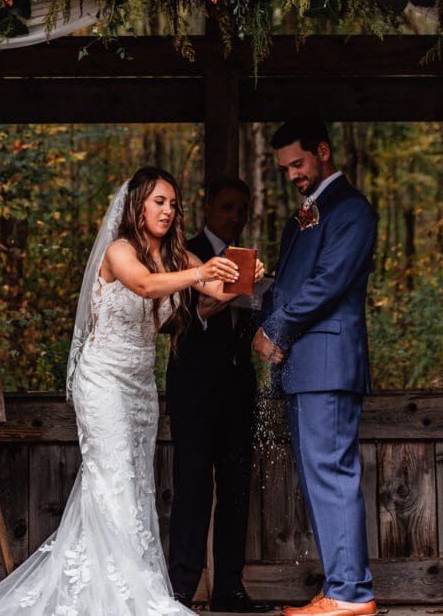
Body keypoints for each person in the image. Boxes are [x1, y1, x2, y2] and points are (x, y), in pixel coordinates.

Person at [0, 167, 264, 615]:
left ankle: (112, 583)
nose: (167, 210)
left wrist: (246, 275)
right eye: (159, 201)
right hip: (102, 379)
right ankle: (123, 596)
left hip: (140, 385)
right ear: (137, 204)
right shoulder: (120, 251)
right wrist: (197, 273)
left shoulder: (177, 256)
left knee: (136, 484)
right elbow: (144, 285)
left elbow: (215, 291)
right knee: (114, 477)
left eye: (173, 204)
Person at [253, 118, 377, 616]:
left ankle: (351, 594)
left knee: (331, 474)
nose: (292, 175)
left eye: (298, 164)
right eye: (285, 168)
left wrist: (275, 330)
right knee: (318, 476)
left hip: (328, 361)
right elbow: (294, 285)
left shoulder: (351, 209)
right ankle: (340, 586)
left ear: (323, 151)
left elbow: (328, 282)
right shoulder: (305, 215)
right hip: (305, 365)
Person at [165, 177, 265, 612]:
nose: (234, 217)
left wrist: (261, 295)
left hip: (239, 388)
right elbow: (172, 318)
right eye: (227, 207)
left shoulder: (249, 260)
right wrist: (215, 302)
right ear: (207, 207)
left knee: (237, 490)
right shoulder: (181, 252)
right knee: (192, 487)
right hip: (193, 387)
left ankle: (229, 588)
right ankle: (182, 590)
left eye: (241, 209)